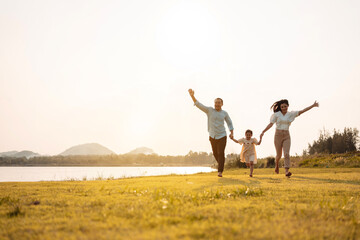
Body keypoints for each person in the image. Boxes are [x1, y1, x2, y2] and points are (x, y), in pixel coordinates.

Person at [260, 99, 319, 177]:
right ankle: (276, 164)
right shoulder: (276, 114)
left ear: (288, 106)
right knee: (279, 155)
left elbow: (302, 111)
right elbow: (271, 124)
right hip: (278, 135)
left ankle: (286, 171)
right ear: (280, 107)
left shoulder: (291, 114)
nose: (284, 108)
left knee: (286, 153)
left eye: (285, 106)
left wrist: (313, 105)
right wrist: (263, 131)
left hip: (287, 135)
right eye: (282, 107)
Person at [188, 89, 234, 177]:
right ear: (214, 103)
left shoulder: (224, 113)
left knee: (221, 152)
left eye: (219, 102)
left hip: (222, 135)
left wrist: (231, 133)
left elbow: (229, 123)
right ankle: (221, 163)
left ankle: (220, 171)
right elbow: (199, 105)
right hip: (212, 136)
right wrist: (192, 96)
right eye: (216, 102)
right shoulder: (209, 110)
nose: (217, 104)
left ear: (222, 104)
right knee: (215, 153)